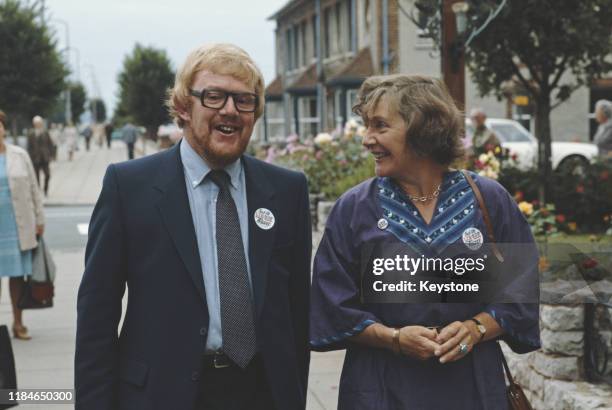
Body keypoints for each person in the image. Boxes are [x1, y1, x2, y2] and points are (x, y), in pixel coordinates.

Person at [75, 43, 311, 410]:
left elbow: (297, 314)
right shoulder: (129, 187)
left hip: (263, 393)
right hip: (162, 394)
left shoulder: (287, 190)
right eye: (214, 97)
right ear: (183, 107)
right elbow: (97, 314)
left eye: (244, 100)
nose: (230, 110)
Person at [310, 75, 540, 409]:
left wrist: (476, 328)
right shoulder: (354, 209)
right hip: (381, 388)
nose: (367, 139)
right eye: (366, 126)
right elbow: (332, 305)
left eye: (379, 126)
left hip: (471, 388)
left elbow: (522, 289)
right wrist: (395, 339)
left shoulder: (488, 200)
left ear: (422, 129)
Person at [0, 110, 45, 340]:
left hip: (17, 226)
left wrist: (39, 219)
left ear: (3, 128)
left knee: (17, 278)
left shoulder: (19, 155)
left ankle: (18, 323)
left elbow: (34, 189)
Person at [26, 115, 54, 196]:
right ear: (34, 124)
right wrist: (29, 156)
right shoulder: (31, 133)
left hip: (45, 157)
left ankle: (45, 190)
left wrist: (51, 154)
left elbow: (50, 144)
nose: (38, 124)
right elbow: (29, 146)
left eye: (40, 123)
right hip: (35, 158)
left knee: (47, 175)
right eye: (37, 123)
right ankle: (37, 191)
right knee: (36, 177)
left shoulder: (45, 132)